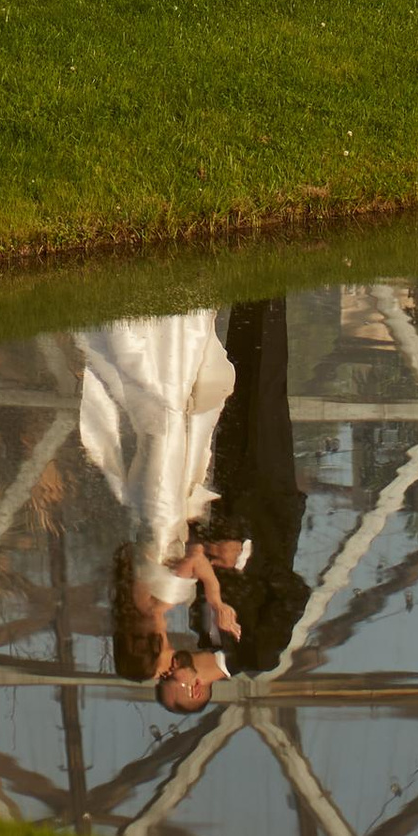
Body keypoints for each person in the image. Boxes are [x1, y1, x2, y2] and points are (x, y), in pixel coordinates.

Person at [74, 311, 240, 712]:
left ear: (148, 652)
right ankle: (162, 331)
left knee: (165, 421)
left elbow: (195, 558)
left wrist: (217, 601)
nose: (169, 671)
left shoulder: (159, 604)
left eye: (161, 671)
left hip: (162, 504)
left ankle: (144, 329)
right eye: (167, 679)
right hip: (150, 506)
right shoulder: (136, 602)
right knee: (165, 418)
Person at [199, 295, 311, 677]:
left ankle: (246, 296)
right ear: (193, 690)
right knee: (265, 394)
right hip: (268, 499)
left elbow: (205, 561)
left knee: (232, 394)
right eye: (172, 682)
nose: (169, 672)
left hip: (227, 498)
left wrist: (213, 545)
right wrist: (243, 556)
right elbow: (295, 592)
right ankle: (270, 294)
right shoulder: (259, 653)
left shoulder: (199, 629)